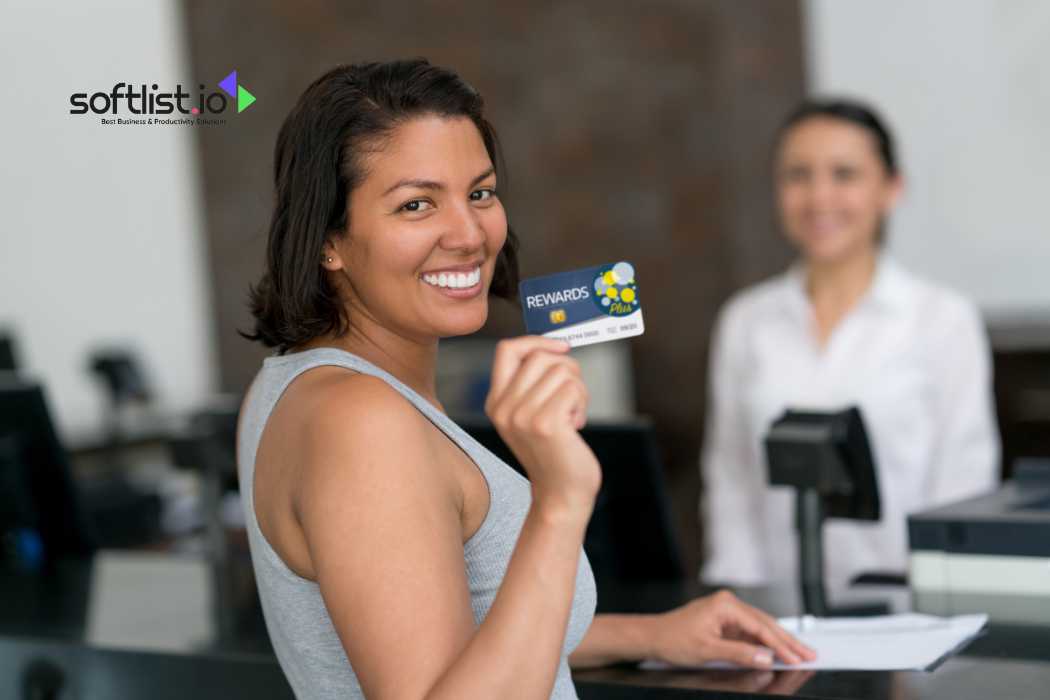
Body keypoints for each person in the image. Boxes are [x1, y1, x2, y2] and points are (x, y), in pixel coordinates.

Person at [237, 59, 813, 699]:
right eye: (416, 204)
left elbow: (453, 630)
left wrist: (649, 636)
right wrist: (561, 500)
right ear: (329, 241)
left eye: (479, 193)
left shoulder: (291, 387)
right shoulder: (363, 423)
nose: (468, 233)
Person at [700, 99, 1000, 591]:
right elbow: (730, 482)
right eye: (798, 175)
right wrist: (739, 602)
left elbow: (963, 485)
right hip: (773, 624)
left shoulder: (943, 319)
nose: (820, 197)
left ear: (891, 188)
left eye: (845, 174)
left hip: (910, 613)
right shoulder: (745, 321)